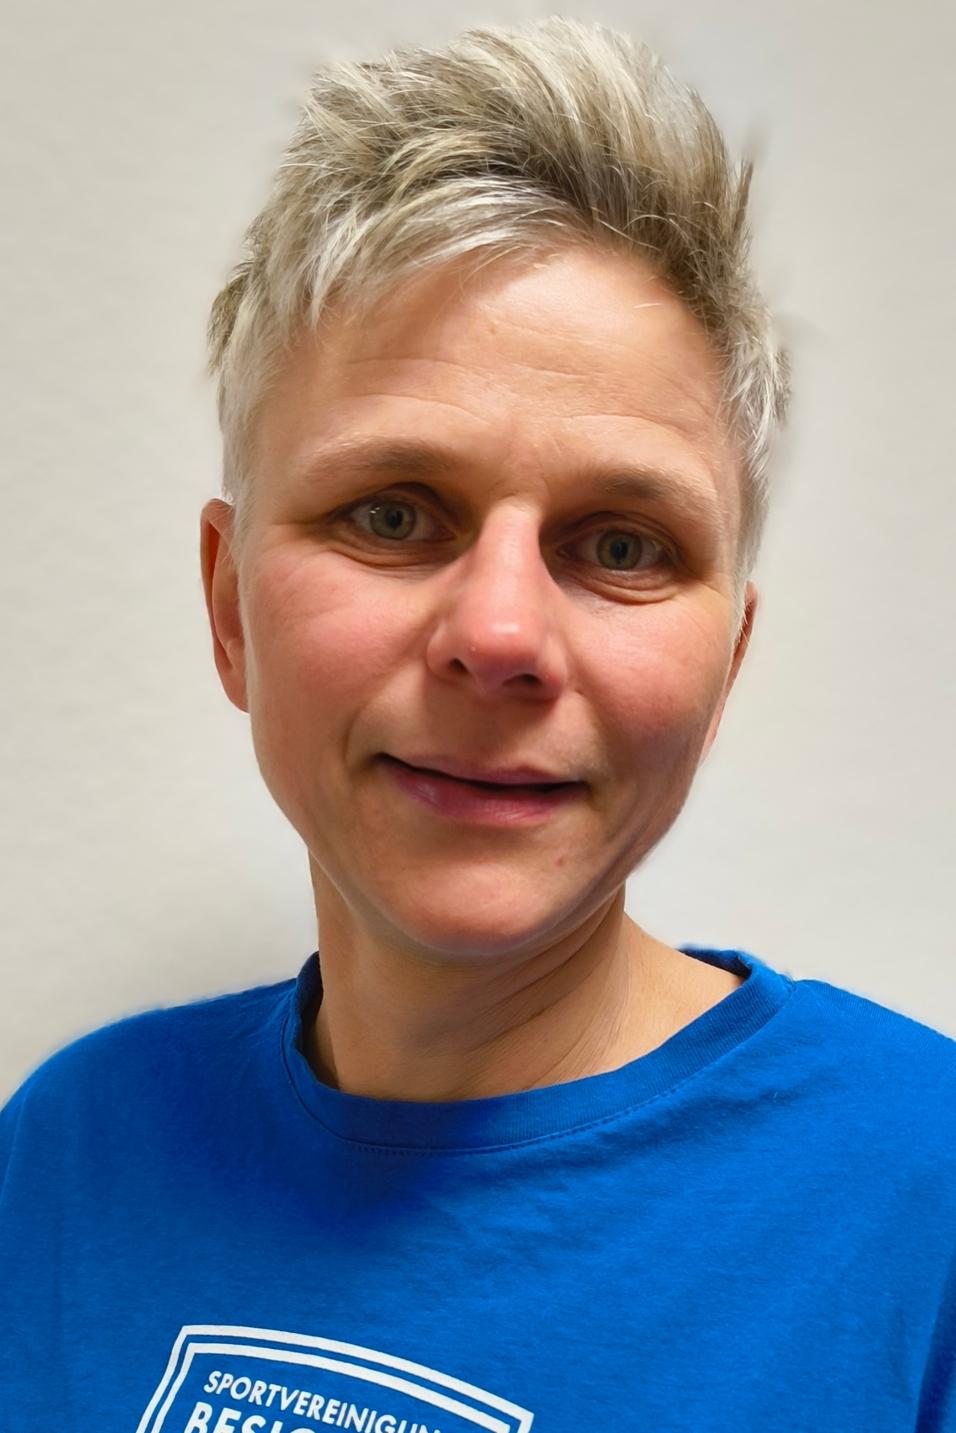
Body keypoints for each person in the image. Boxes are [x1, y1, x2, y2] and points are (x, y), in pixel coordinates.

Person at [1, 16, 953, 1431]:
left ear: (726, 664)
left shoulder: (924, 1206)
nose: (500, 635)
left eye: (621, 545)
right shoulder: (69, 1151)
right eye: (393, 515)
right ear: (229, 607)